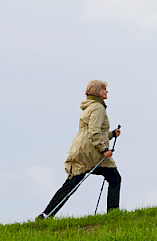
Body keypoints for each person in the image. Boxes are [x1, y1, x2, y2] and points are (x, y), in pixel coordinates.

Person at [40, 80, 121, 218]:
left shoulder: (89, 107)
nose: (107, 92)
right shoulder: (98, 108)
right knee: (115, 178)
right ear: (98, 92)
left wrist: (112, 134)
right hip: (92, 152)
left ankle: (45, 215)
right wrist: (103, 150)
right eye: (104, 89)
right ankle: (113, 215)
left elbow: (93, 132)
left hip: (81, 151)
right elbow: (94, 132)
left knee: (71, 183)